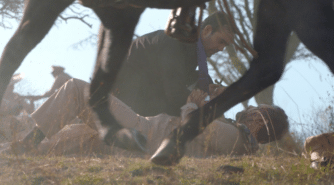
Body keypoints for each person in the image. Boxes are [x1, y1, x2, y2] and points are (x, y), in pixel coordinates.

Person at [6, 78, 289, 157]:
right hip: (137, 144)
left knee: (79, 90)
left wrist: (192, 105)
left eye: (255, 111)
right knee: (56, 146)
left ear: (257, 121)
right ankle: (20, 148)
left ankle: (30, 138)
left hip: (144, 133)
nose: (249, 109)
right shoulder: (238, 144)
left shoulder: (235, 138)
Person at [110, 11, 234, 116]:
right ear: (207, 30)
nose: (222, 49)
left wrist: (211, 93)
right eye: (221, 41)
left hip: (149, 91)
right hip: (129, 94)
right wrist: (201, 106)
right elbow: (174, 93)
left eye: (225, 45)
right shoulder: (177, 41)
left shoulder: (193, 51)